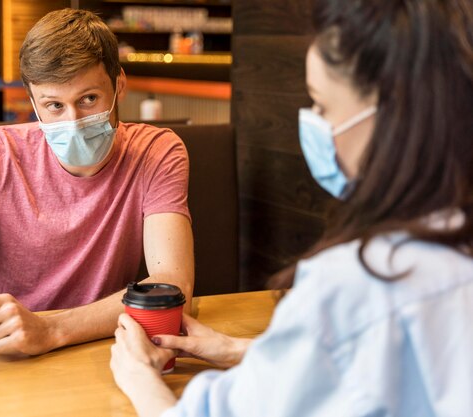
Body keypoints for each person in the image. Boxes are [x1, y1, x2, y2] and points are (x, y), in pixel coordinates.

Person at [110, 0, 473, 416]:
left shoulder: (361, 286)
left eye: (321, 105)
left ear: (393, 118)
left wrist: (139, 377)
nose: (313, 122)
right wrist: (243, 350)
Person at [0, 8, 194, 369]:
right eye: (54, 106)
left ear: (119, 84)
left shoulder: (157, 151)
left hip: (107, 349)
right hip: (9, 353)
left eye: (89, 99)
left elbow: (172, 285)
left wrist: (50, 330)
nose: (73, 122)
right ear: (32, 102)